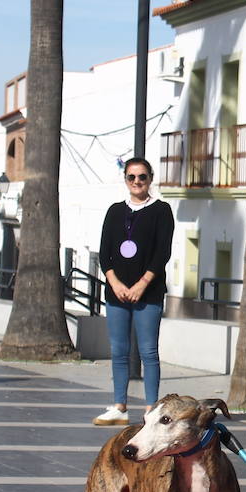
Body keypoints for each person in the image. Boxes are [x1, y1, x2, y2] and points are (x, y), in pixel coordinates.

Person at [92, 158, 175, 426]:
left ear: (150, 178)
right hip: (117, 293)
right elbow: (105, 253)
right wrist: (115, 283)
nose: (137, 182)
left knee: (148, 351)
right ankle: (119, 406)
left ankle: (151, 409)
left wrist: (142, 284)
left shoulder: (161, 210)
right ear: (125, 179)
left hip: (147, 293)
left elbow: (162, 253)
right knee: (118, 351)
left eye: (142, 177)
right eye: (131, 177)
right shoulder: (115, 211)